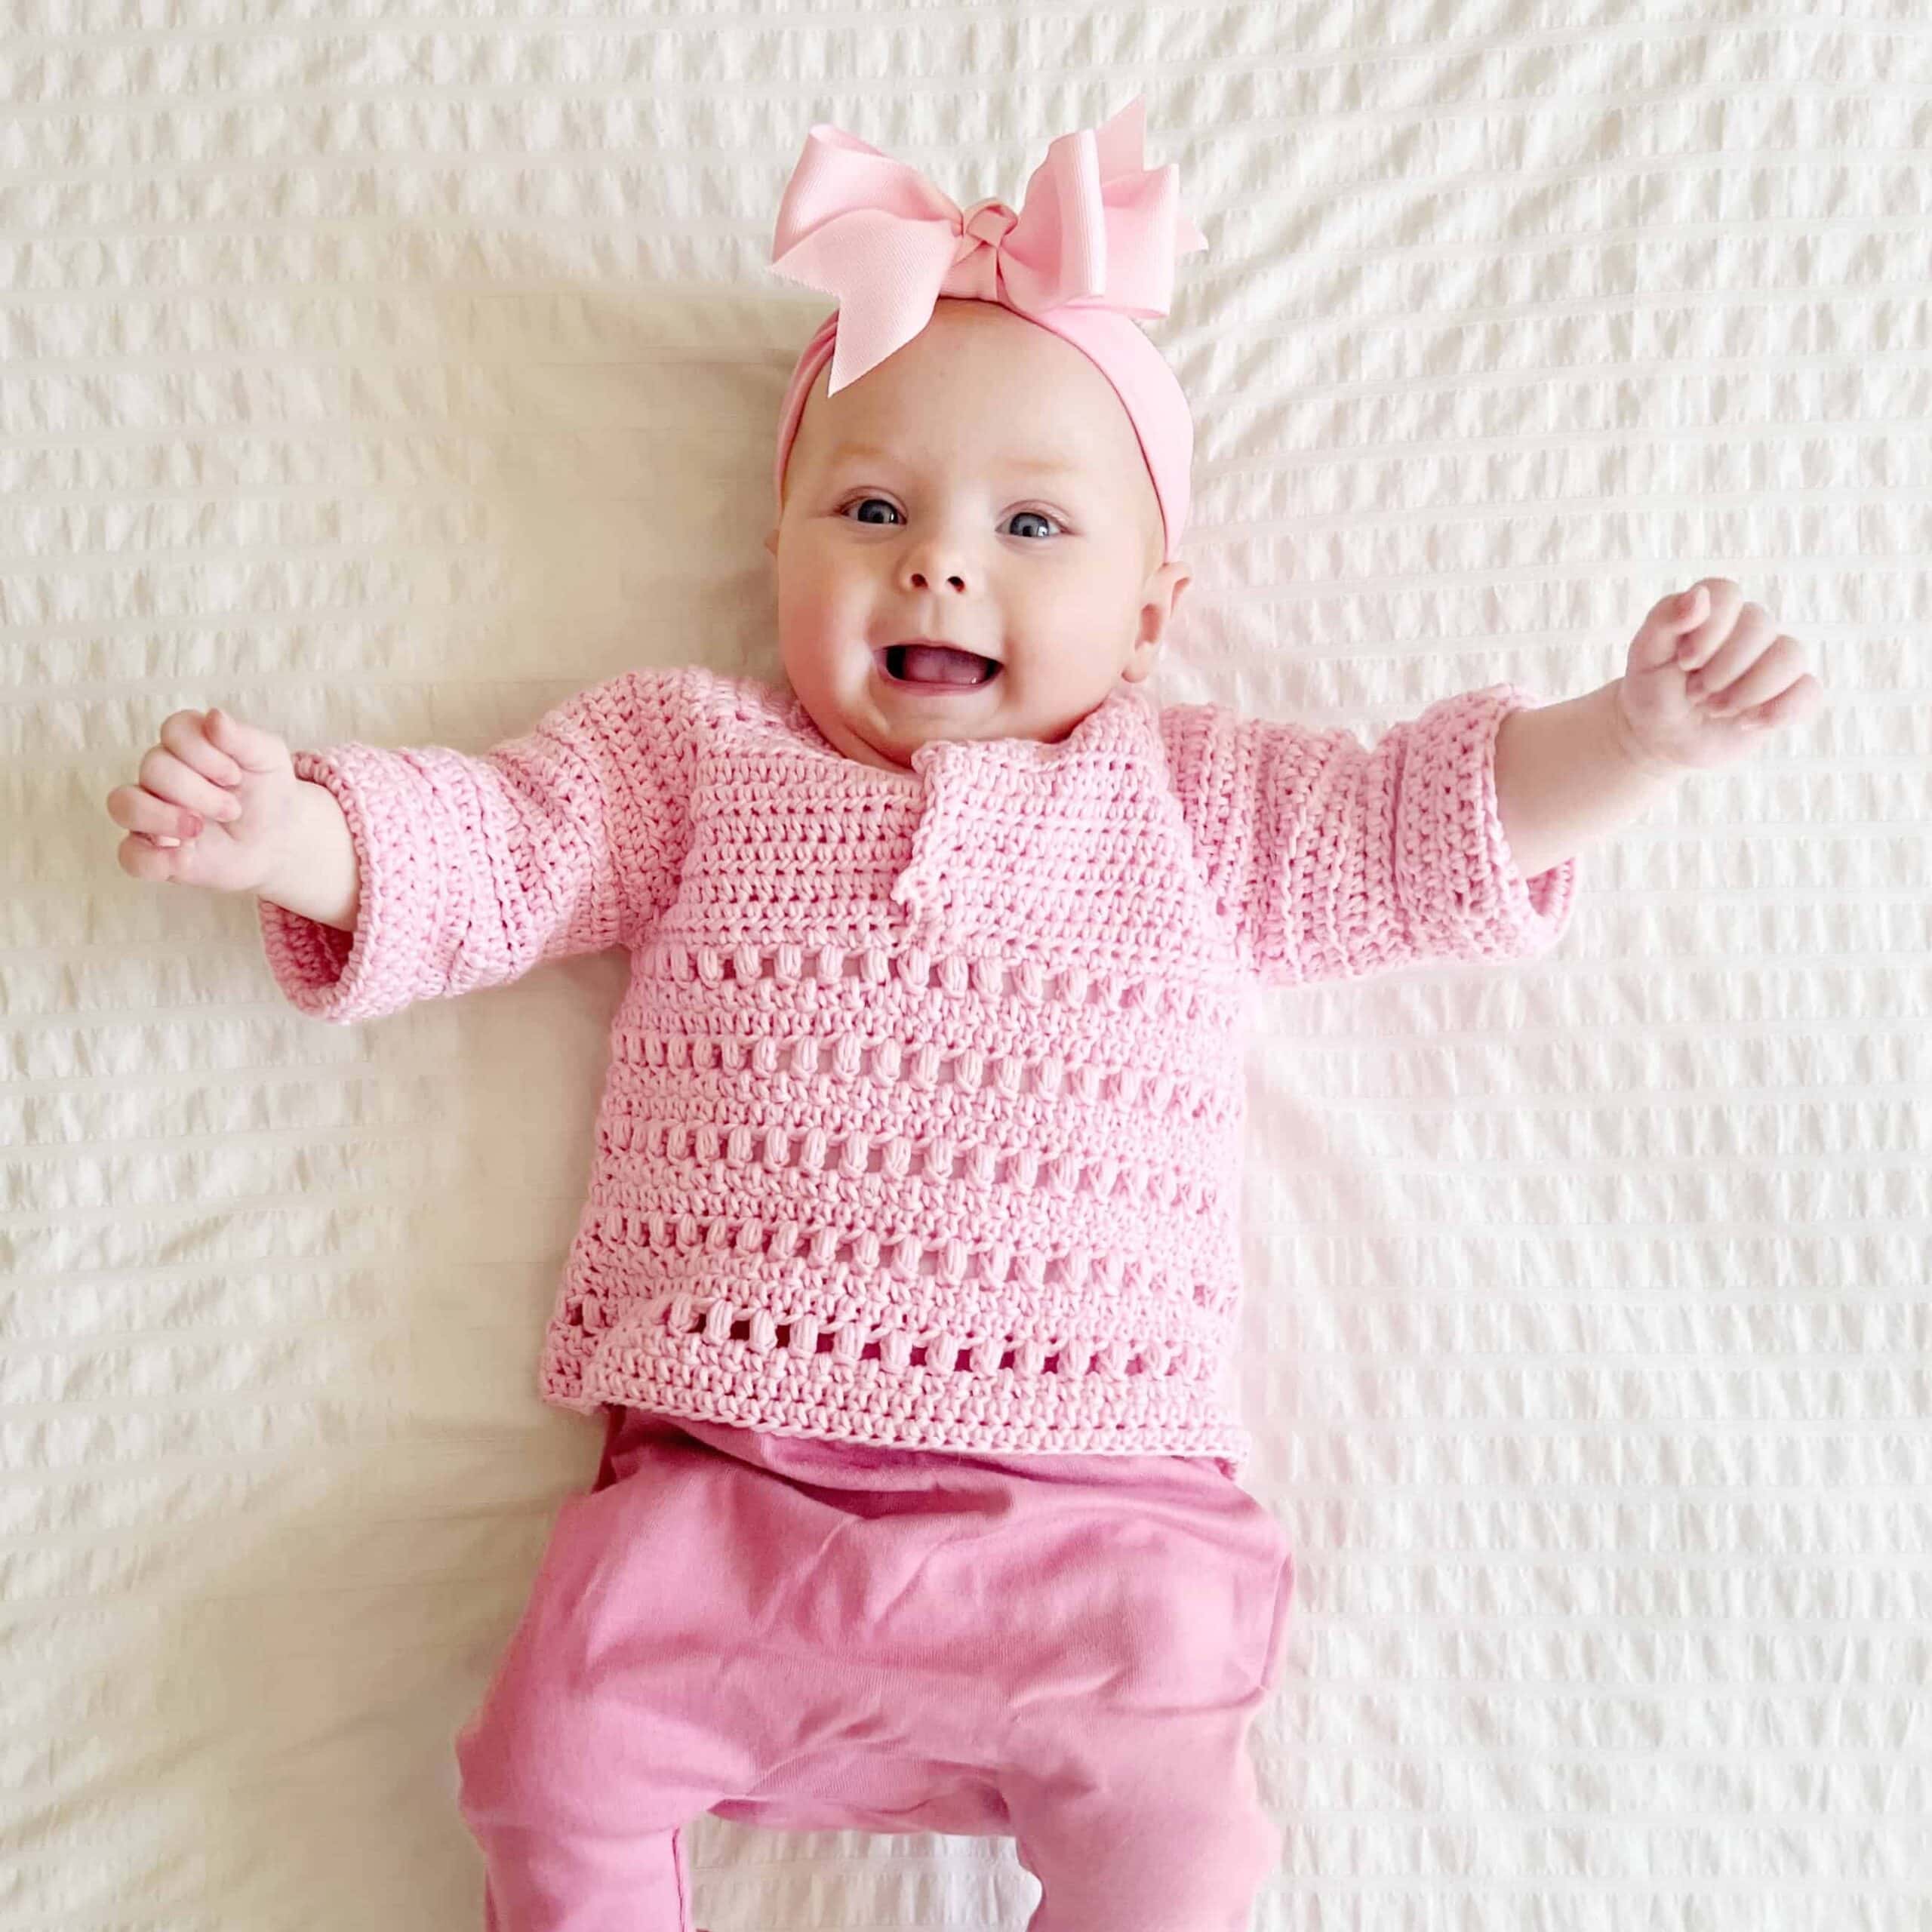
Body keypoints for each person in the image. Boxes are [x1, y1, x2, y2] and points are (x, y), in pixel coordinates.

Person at [104, 99, 1821, 1932]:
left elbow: (1421, 829)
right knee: (547, 1756)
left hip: (1100, 1527)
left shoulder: (1192, 803)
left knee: (1185, 1843)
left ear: (1150, 614)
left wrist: (1630, 739)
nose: (938, 561)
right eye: (867, 507)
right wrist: (301, 831)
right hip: (729, 1493)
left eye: (1029, 524)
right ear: (776, 550)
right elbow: (503, 847)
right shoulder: (692, 761)